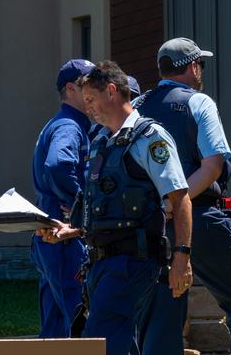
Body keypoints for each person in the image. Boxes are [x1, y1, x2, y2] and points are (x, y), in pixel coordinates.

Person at [36, 60, 193, 355]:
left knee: (104, 341)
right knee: (118, 341)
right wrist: (68, 231)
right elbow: (103, 210)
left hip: (132, 260)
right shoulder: (101, 142)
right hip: (100, 265)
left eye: (91, 100)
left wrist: (183, 257)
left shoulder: (149, 138)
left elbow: (180, 197)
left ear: (111, 91)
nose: (89, 108)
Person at [133, 37, 231, 355]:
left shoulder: (138, 107)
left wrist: (161, 206)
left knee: (162, 315)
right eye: (202, 64)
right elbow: (212, 167)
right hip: (201, 219)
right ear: (193, 66)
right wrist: (175, 202)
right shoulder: (198, 103)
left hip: (152, 226)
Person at [31, 59, 94, 338]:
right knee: (81, 325)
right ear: (71, 88)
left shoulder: (60, 123)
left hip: (49, 238)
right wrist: (81, 202)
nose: (95, 89)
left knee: (55, 332)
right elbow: (58, 165)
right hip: (65, 239)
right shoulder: (70, 125)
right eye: (87, 84)